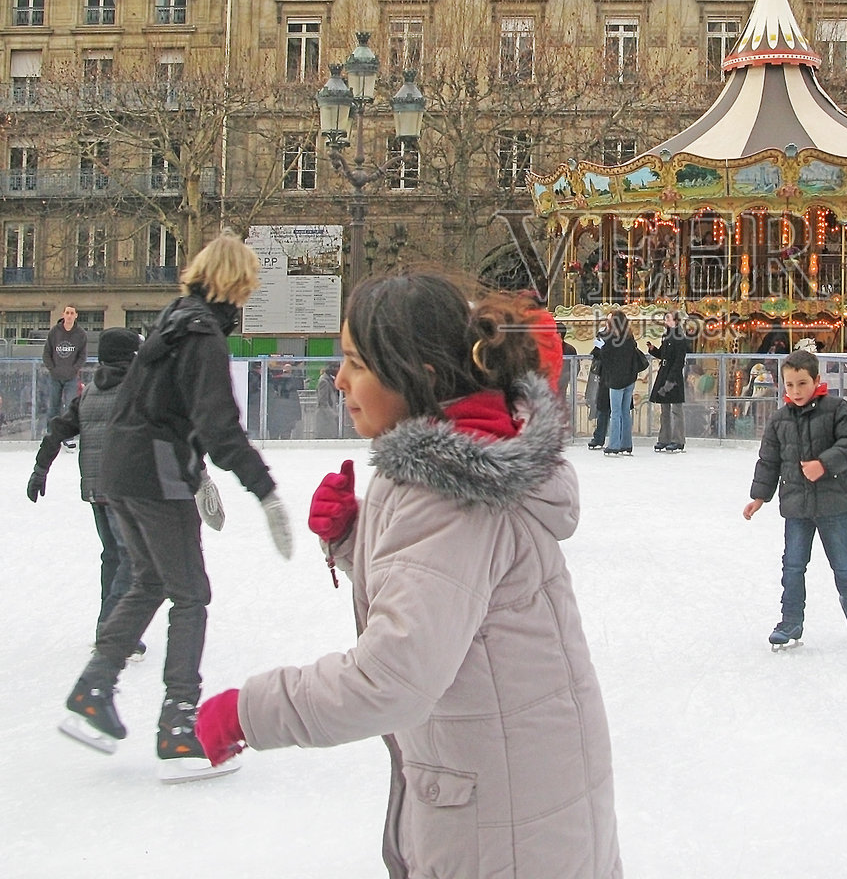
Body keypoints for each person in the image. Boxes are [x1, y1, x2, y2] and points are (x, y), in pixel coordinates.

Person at [192, 272, 622, 879]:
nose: (338, 380)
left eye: (355, 362)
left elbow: (393, 677)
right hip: (524, 792)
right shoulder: (474, 456)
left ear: (415, 374)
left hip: (502, 825)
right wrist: (355, 538)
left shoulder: (447, 491)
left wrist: (248, 712)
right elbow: (463, 592)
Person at [58, 232, 294, 782]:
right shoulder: (203, 335)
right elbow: (216, 424)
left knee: (148, 580)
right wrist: (264, 490)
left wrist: (197, 474)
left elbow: (159, 408)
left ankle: (95, 686)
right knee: (191, 593)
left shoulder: (170, 322)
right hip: (155, 474)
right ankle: (179, 725)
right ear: (235, 283)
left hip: (121, 467)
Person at [28, 330, 223, 663]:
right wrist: (197, 472)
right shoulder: (141, 393)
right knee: (133, 561)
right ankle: (114, 631)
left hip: (94, 489)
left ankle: (110, 627)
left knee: (113, 557)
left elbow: (58, 429)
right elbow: (174, 435)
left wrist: (39, 469)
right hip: (129, 490)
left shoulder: (88, 394)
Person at [743, 349, 847, 647]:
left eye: (802, 383)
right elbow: (769, 461)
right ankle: (790, 621)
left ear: (817, 381)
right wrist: (759, 496)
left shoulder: (837, 409)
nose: (795, 391)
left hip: (833, 503)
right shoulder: (779, 420)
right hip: (796, 506)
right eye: (789, 385)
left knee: (843, 563)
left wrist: (823, 464)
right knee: (793, 565)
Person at [597, 310, 646, 457]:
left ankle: (614, 444)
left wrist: (601, 346)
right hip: (629, 378)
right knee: (625, 412)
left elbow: (604, 356)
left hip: (616, 380)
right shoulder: (629, 338)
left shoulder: (611, 339)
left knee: (616, 412)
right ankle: (626, 444)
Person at [648, 310, 689, 453]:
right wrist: (654, 351)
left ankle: (678, 439)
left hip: (673, 376)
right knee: (664, 409)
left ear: (676, 321)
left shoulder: (680, 338)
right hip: (664, 373)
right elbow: (663, 355)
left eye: (668, 319)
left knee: (676, 409)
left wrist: (672, 378)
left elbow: (678, 360)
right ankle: (664, 438)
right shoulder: (667, 336)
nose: (666, 322)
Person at [42, 305, 88, 424]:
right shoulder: (54, 332)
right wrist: (53, 369)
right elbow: (47, 353)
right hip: (55, 377)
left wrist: (74, 369)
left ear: (76, 316)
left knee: (69, 407)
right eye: (67, 313)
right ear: (63, 314)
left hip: (71, 378)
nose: (69, 316)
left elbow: (82, 355)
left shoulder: (80, 334)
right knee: (53, 407)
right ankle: (52, 435)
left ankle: (68, 437)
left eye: (72, 313)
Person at [584, 333, 610, 450]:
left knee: (618, 412)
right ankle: (599, 437)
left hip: (617, 378)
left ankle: (619, 439)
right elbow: (595, 354)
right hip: (603, 379)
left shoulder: (622, 338)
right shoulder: (603, 337)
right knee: (602, 409)